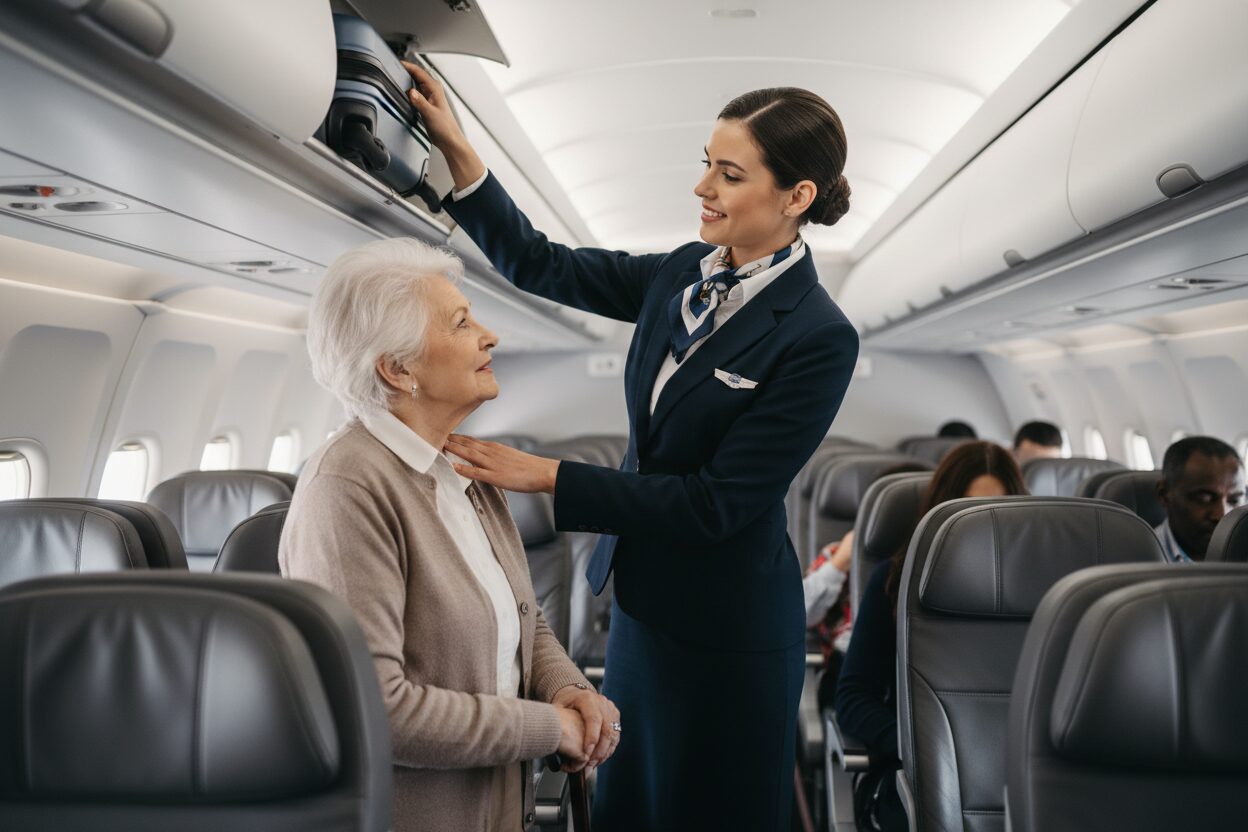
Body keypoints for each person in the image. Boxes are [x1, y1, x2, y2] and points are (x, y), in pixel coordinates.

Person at [405, 65, 859, 831]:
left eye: (729, 172)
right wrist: (459, 152)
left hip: (732, 627)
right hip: (643, 605)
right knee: (630, 805)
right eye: (705, 163)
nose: (702, 188)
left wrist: (550, 476)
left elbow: (719, 504)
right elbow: (538, 262)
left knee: (717, 813)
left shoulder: (818, 335)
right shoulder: (679, 274)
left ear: (797, 197)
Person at [278, 238, 619, 832]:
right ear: (397, 367)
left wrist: (566, 687)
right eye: (462, 323)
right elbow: (377, 708)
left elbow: (521, 614)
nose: (491, 336)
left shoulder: (458, 465)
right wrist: (550, 727)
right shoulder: (348, 487)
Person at [834, 441, 1026, 831]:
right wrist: (914, 751)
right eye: (967, 511)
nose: (982, 526)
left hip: (1021, 776)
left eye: (997, 512)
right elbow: (854, 697)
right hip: (919, 776)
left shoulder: (1044, 587)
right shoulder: (895, 582)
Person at [803, 462, 929, 708]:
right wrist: (839, 564)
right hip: (847, 666)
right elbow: (799, 614)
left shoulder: (933, 565)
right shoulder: (838, 554)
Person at [1155, 436, 1245, 562]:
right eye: (1204, 499)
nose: (1222, 515)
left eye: (1234, 500)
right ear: (1164, 495)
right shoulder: (1137, 557)